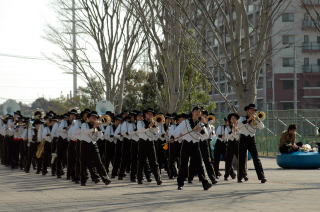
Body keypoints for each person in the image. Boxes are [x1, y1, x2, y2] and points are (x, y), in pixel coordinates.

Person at [174, 106, 212, 191]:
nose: (198, 113)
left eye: (199, 112)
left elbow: (206, 135)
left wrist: (201, 130)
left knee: (199, 165)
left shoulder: (201, 123)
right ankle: (180, 184)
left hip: (195, 145)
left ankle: (205, 183)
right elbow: (177, 130)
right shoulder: (185, 122)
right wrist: (175, 136)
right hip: (186, 145)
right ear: (192, 112)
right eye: (196, 111)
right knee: (183, 165)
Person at [80, 111, 111, 186]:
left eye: (95, 118)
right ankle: (83, 180)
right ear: (88, 118)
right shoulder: (84, 124)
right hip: (85, 144)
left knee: (99, 162)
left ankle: (105, 179)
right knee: (83, 163)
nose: (94, 119)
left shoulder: (97, 126)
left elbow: (101, 137)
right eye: (92, 117)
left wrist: (98, 127)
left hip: (93, 144)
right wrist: (94, 128)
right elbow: (84, 132)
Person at [238, 104, 267, 184]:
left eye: (254, 110)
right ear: (247, 110)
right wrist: (248, 120)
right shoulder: (242, 118)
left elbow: (262, 127)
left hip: (251, 139)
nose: (253, 112)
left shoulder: (256, 118)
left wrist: (257, 120)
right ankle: (241, 176)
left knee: (256, 158)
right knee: (242, 158)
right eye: (251, 110)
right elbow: (239, 126)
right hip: (243, 138)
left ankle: (262, 177)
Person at [136, 108, 162, 185]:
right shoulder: (140, 122)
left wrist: (154, 126)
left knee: (154, 162)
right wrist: (148, 126)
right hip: (142, 143)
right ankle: (139, 179)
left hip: (150, 143)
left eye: (151, 114)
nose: (150, 115)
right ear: (145, 115)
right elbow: (140, 130)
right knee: (141, 161)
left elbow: (157, 132)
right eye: (148, 114)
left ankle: (158, 179)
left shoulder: (154, 122)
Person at [224, 113, 240, 181]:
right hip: (230, 144)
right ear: (230, 120)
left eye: (234, 118)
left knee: (240, 159)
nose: (233, 120)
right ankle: (226, 175)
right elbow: (227, 136)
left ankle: (243, 175)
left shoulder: (239, 127)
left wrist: (235, 131)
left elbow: (238, 137)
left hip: (237, 144)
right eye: (232, 118)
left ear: (237, 120)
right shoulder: (227, 127)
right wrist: (233, 132)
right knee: (228, 160)